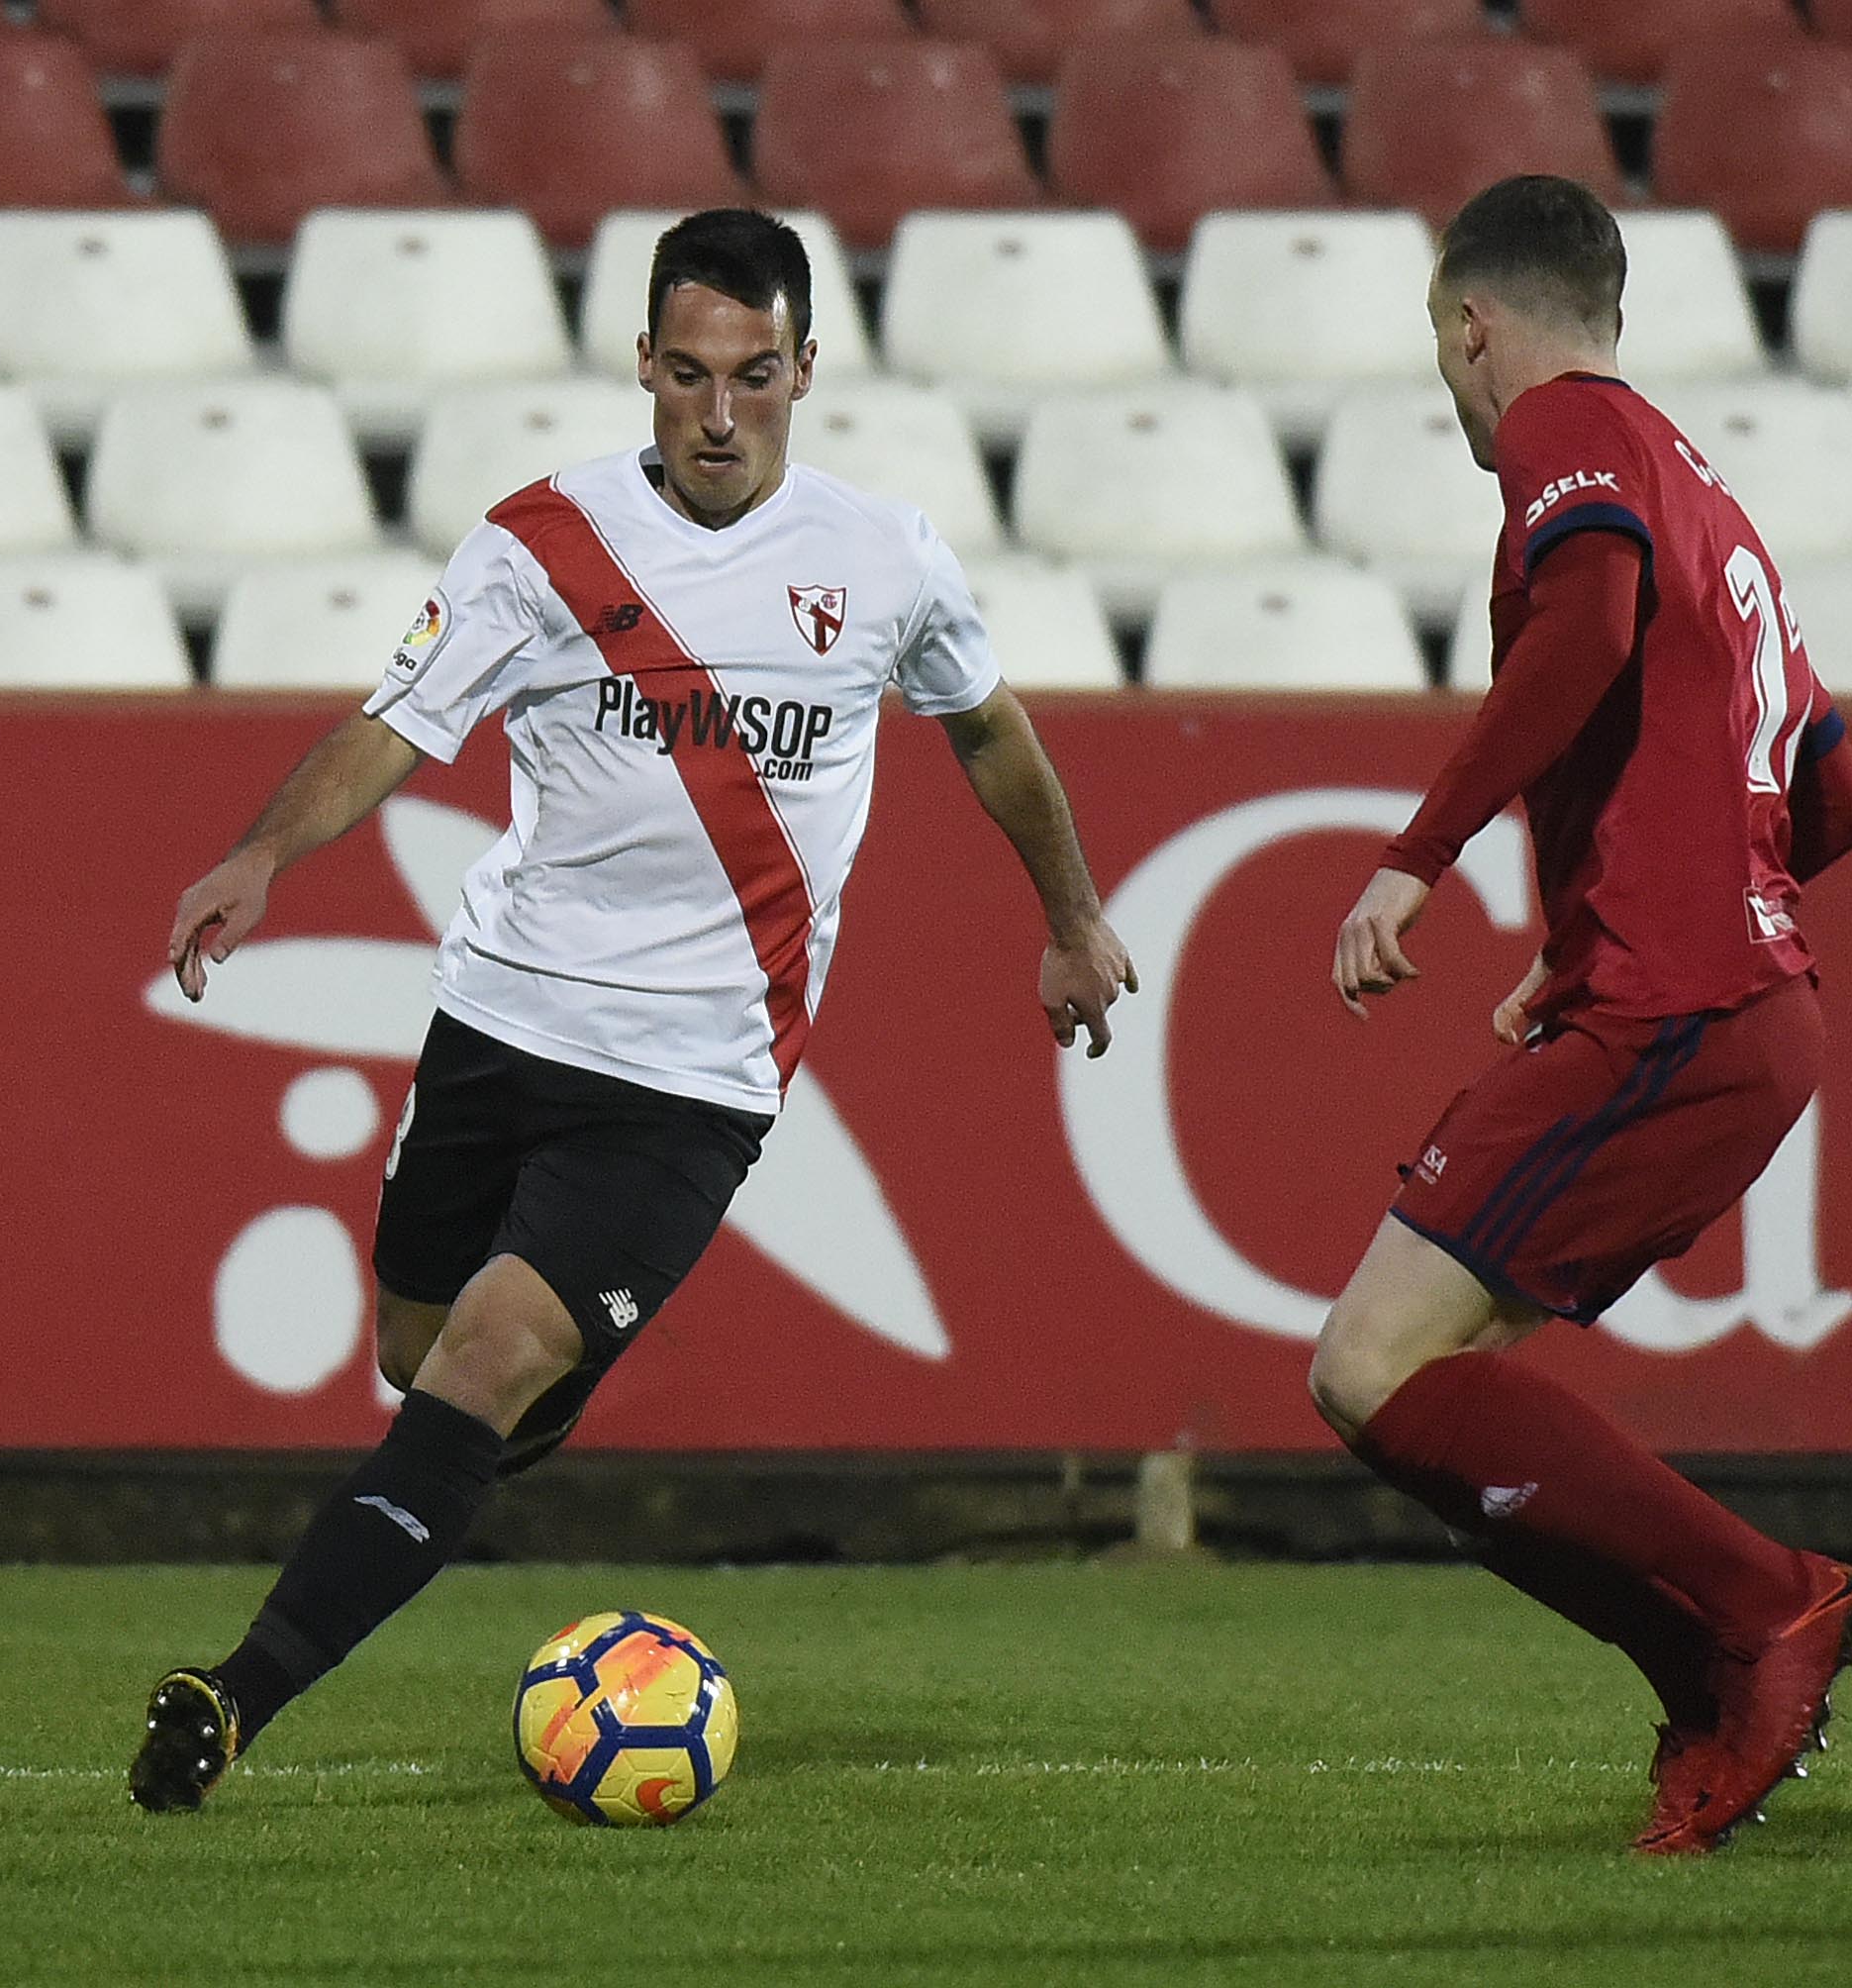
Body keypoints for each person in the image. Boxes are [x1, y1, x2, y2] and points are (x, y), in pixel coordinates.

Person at [128, 210, 1136, 1811]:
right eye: (684, 376)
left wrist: (1073, 919)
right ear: (643, 369)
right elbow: (391, 731)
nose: (717, 414)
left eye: (751, 376)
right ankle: (500, 1412)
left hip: (694, 1073)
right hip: (502, 1021)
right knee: (414, 1354)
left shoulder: (885, 558)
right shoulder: (541, 542)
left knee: (483, 1357)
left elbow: (993, 738)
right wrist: (264, 854)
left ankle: (231, 1695)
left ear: (807, 370)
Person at [1309, 176, 1852, 1857]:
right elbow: (1826, 793)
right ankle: (1717, 1670)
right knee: (1439, 1381)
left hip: (1680, 1008)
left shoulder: (1563, 432)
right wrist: (1604, 924)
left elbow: (1586, 623)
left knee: (1366, 1365)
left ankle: (1760, 1611)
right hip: (1732, 1004)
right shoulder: (1707, 489)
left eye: (1443, 347)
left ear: (1471, 324)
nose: (1454, 384)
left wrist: (1419, 859)